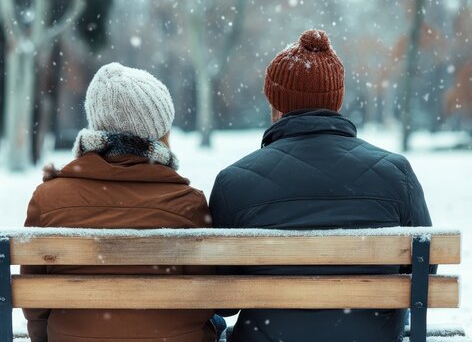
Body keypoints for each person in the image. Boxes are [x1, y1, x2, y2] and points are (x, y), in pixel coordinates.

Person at [209, 30, 433, 342]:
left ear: (275, 103)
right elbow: (425, 273)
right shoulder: (396, 172)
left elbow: (222, 299)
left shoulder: (233, 182)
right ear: (336, 102)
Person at [22, 62, 218, 342]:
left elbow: (35, 302)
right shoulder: (188, 203)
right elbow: (208, 296)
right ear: (159, 131)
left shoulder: (48, 199)